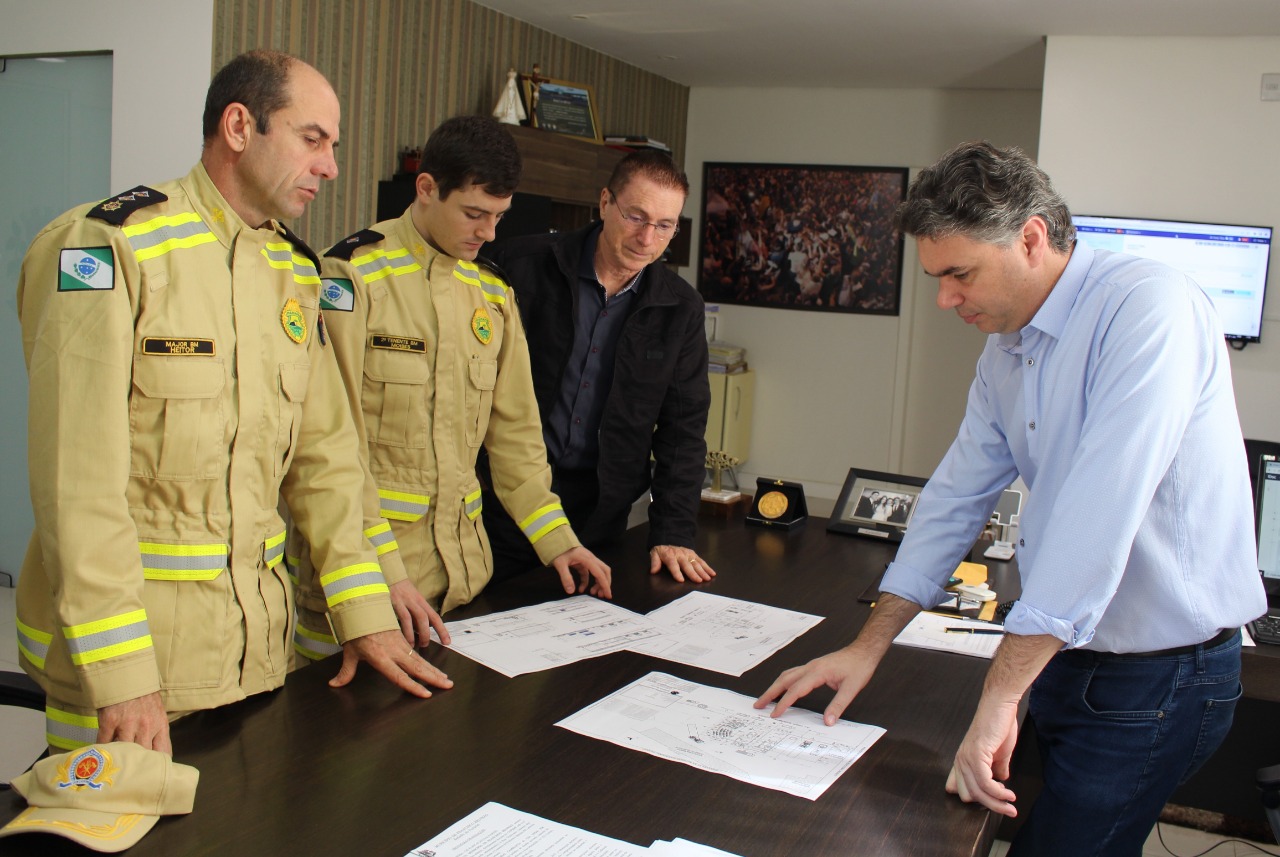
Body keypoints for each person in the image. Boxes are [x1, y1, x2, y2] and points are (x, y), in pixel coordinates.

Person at [755, 141, 1266, 856]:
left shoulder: (1150, 307)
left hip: (1159, 676)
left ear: (1030, 238)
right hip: (1065, 654)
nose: (945, 299)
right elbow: (955, 496)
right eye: (937, 278)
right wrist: (869, 645)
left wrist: (999, 696)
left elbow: (1097, 517)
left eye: (959, 274)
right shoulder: (1007, 346)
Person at [13, 50, 450, 755]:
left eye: (333, 145)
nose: (331, 166)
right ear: (240, 127)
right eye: (313, 139)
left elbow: (327, 462)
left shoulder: (293, 271)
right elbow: (77, 486)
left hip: (258, 653)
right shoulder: (108, 247)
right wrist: (122, 674)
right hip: (135, 669)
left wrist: (366, 613)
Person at [286, 115, 610, 659]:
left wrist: (559, 542)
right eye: (474, 214)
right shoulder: (352, 276)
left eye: (499, 217)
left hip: (461, 581)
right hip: (363, 584)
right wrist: (383, 571)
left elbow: (516, 439)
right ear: (426, 188)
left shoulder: (491, 293)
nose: (488, 233)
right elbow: (330, 448)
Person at [480, 149, 715, 585]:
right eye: (636, 217)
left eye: (665, 225)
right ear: (605, 202)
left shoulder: (681, 308)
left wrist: (672, 531)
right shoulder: (519, 266)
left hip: (601, 512)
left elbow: (683, 430)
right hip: (499, 502)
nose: (647, 238)